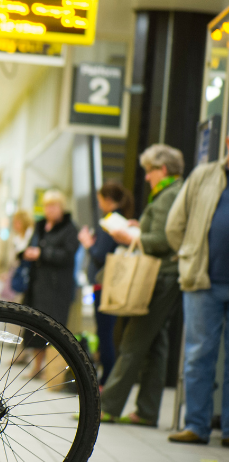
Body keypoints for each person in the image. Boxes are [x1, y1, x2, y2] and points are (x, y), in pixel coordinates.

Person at [99, 144, 184, 426]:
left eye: (149, 171)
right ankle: (147, 411)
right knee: (157, 343)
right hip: (165, 274)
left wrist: (130, 237)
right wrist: (139, 228)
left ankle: (108, 407)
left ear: (162, 169)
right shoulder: (168, 192)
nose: (146, 178)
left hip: (162, 275)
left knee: (133, 340)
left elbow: (165, 240)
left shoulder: (171, 194)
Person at [164, 134, 229, 446]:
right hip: (203, 281)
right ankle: (196, 426)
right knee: (198, 355)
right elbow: (174, 225)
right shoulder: (203, 175)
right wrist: (189, 253)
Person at [78, 182, 134, 387]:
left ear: (107, 200)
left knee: (104, 333)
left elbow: (99, 254)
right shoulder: (122, 220)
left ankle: (106, 379)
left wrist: (87, 242)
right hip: (111, 283)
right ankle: (107, 378)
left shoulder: (111, 221)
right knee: (106, 332)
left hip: (105, 284)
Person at [20, 190, 80, 372]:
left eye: (53, 206)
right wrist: (26, 253)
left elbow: (68, 255)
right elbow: (30, 245)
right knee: (34, 325)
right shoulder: (39, 226)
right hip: (37, 284)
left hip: (56, 288)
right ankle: (36, 366)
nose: (49, 209)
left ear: (62, 207)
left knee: (51, 327)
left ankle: (49, 369)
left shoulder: (70, 228)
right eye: (47, 206)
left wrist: (42, 254)